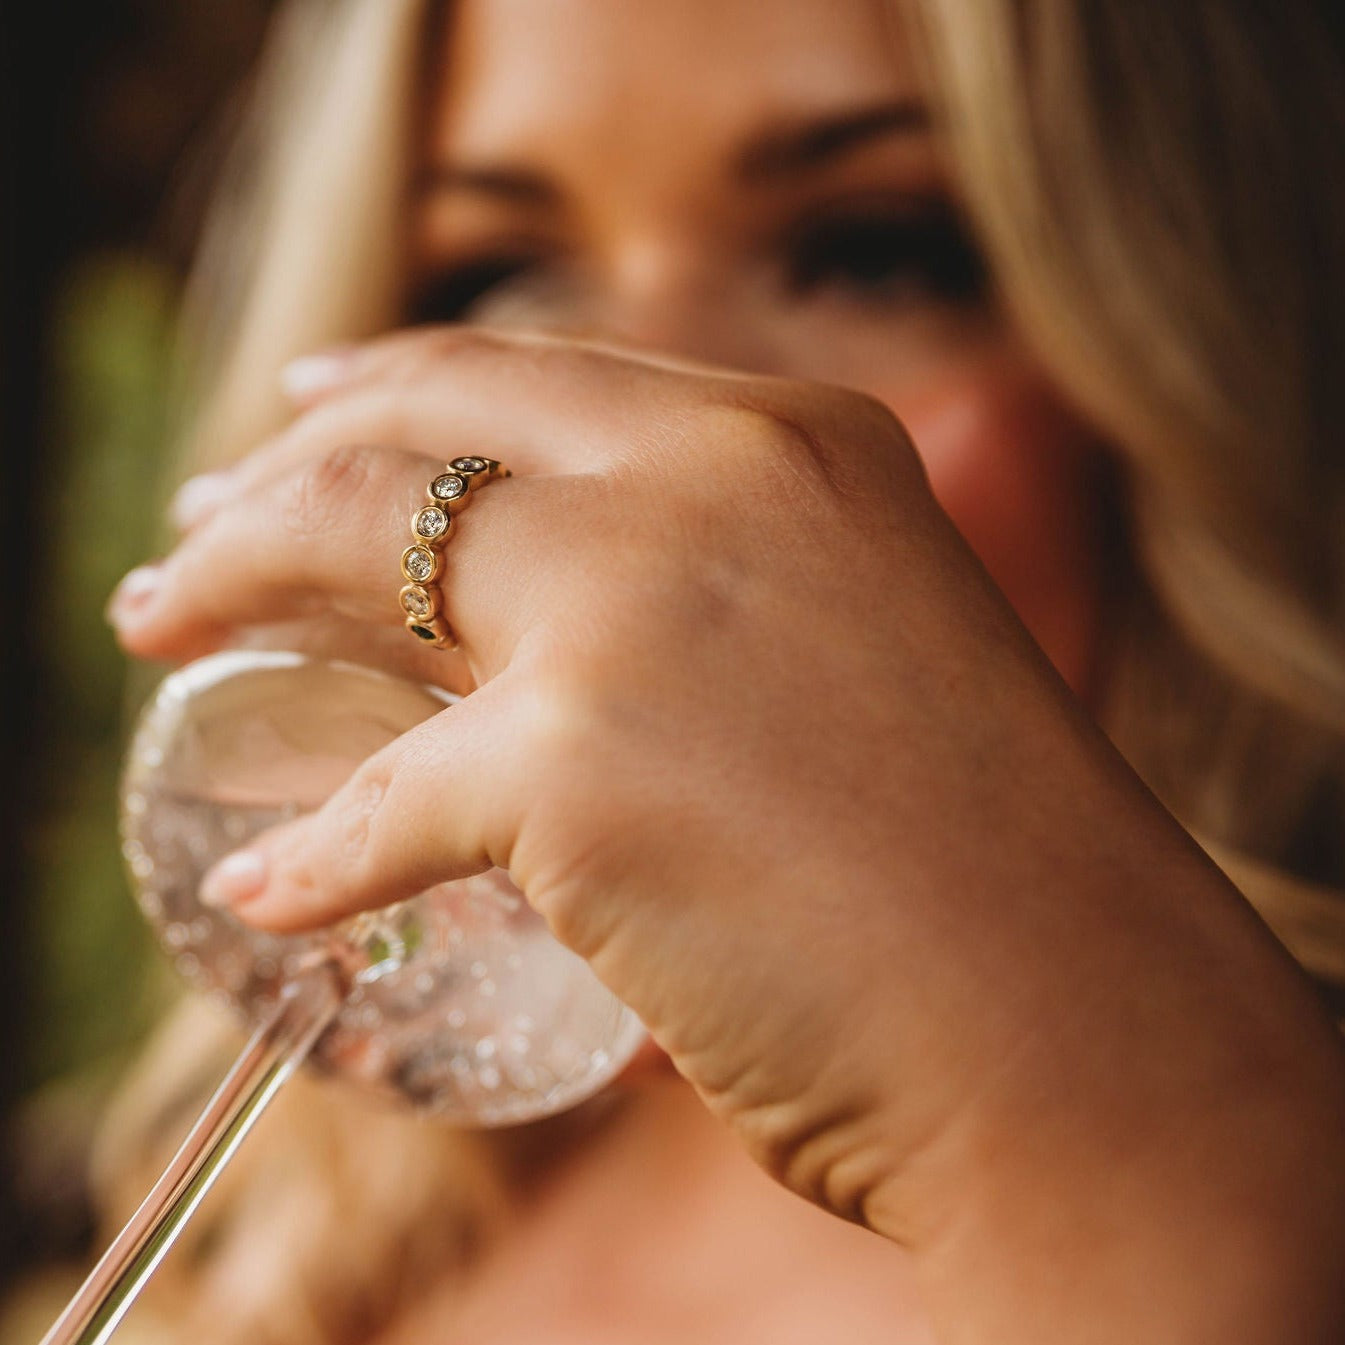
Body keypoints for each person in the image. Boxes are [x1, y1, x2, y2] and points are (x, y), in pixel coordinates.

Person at [100, 0, 1345, 1341]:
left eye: (871, 255)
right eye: (501, 279)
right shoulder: (294, 1239)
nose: (671, 432)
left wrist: (1134, 1173)